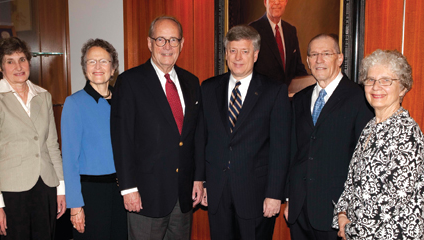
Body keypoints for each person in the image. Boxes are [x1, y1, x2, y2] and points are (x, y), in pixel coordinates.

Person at [110, 16, 204, 240]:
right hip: (145, 196)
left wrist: (198, 178)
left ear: (182, 44)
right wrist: (128, 188)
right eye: (161, 39)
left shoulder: (192, 82)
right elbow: (122, 139)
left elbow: (196, 135)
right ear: (149, 43)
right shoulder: (130, 82)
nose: (167, 46)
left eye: (173, 40)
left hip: (183, 197)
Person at [199, 25, 291, 240]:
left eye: (245, 51)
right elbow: (202, 138)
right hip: (217, 191)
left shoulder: (274, 91)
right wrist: (202, 182)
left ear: (256, 55)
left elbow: (281, 147)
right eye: (233, 51)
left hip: (256, 194)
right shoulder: (209, 88)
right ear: (226, 54)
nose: (238, 57)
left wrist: (274, 194)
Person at [0, 37, 66, 239]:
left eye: (22, 59)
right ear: (0, 66)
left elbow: (52, 145)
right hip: (11, 192)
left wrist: (61, 188)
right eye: (10, 61)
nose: (18, 66)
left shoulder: (44, 96)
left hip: (45, 187)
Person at [285, 34, 373, 240]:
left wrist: (352, 209)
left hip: (337, 212)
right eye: (313, 55)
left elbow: (363, 160)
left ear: (340, 58)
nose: (319, 60)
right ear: (307, 61)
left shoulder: (360, 98)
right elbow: (293, 151)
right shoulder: (299, 99)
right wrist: (290, 197)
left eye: (326, 54)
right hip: (299, 210)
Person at [333, 49, 424, 240]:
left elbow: (392, 204)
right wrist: (342, 214)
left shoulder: (407, 132)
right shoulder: (370, 126)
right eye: (370, 80)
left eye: (386, 80)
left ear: (403, 88)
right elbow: (352, 182)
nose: (376, 87)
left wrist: (350, 230)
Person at [61, 39, 127, 239]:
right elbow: (69, 161)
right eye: (91, 62)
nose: (98, 67)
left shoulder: (124, 101)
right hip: (90, 195)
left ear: (113, 68)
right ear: (84, 68)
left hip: (123, 192)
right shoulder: (74, 103)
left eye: (104, 61)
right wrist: (75, 206)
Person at [249, 0, 308, 86]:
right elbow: (248, 70)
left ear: (286, 2)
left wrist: (311, 85)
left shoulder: (291, 31)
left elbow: (298, 67)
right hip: (263, 95)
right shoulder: (252, 30)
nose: (277, 2)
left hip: (288, 96)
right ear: (265, 2)